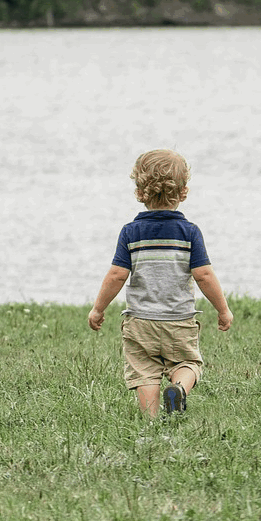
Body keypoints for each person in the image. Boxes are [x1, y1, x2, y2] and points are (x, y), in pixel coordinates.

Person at [88, 149, 233, 418]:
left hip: (140, 321)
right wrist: (223, 310)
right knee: (187, 362)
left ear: (139, 192)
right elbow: (204, 275)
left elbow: (117, 275)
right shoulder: (189, 232)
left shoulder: (131, 232)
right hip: (178, 319)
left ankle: (152, 422)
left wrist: (98, 309)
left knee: (144, 370)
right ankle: (178, 388)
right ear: (184, 191)